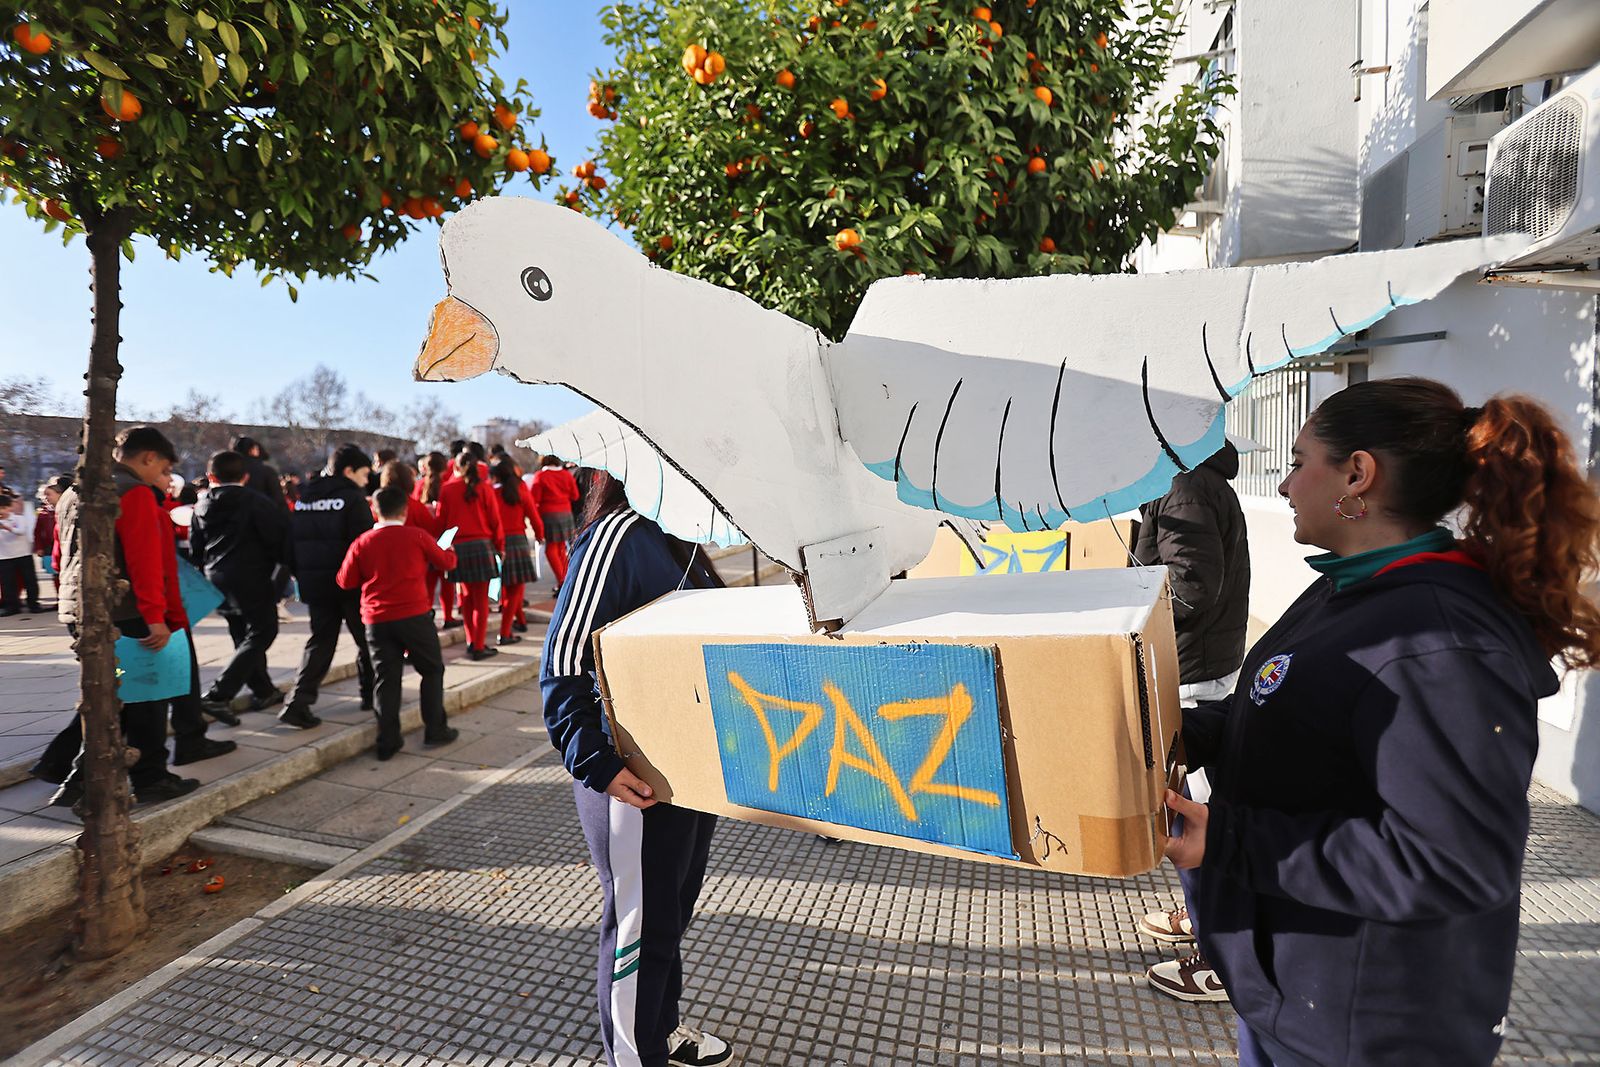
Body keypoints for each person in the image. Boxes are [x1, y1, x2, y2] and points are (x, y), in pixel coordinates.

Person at [1165, 378, 1600, 1067]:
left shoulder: (1438, 640)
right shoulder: (1350, 587)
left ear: (1358, 473)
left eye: (1299, 460)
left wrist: (1230, 841)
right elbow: (1297, 714)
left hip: (1369, 1026)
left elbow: (1449, 862)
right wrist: (1185, 734)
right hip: (1298, 992)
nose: (1283, 485)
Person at [542, 471, 732, 1067]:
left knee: (669, 913)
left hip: (687, 772)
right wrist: (596, 763)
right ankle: (634, 1056)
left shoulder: (679, 537)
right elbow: (562, 662)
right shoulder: (619, 534)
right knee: (639, 930)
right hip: (633, 780)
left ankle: (660, 1030)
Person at [47, 426, 231, 805]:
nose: (164, 478)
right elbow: (148, 564)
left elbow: (59, 556)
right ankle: (150, 778)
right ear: (148, 457)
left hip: (81, 608)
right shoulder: (134, 494)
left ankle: (78, 779)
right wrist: (156, 617)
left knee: (109, 695)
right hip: (129, 613)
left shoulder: (73, 492)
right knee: (147, 700)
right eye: (163, 468)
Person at [1129, 439, 1250, 1003]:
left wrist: (1128, 601)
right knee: (1193, 815)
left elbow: (1191, 586)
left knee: (1199, 815)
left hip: (1191, 671)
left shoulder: (1185, 486)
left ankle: (1222, 954)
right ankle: (1203, 920)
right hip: (1194, 666)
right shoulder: (1184, 482)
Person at [337, 486, 460, 760]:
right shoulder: (416, 535)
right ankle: (435, 729)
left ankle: (388, 740)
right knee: (431, 670)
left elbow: (345, 580)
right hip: (414, 614)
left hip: (377, 619)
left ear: (374, 510)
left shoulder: (363, 541)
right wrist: (449, 550)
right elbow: (446, 562)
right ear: (405, 510)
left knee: (386, 678)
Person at [191, 450, 291, 718]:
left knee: (241, 635)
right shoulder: (258, 502)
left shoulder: (200, 505)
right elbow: (277, 540)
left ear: (211, 476)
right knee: (263, 632)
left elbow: (196, 547)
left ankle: (263, 690)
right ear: (245, 476)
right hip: (252, 576)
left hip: (216, 578)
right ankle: (218, 693)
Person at [282, 443, 375, 728]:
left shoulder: (304, 497)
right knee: (367, 641)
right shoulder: (353, 498)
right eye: (363, 474)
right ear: (348, 471)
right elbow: (364, 546)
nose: (366, 480)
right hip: (350, 584)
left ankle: (298, 702)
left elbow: (291, 542)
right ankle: (372, 695)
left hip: (315, 584)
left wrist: (301, 575)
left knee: (320, 641)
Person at [436, 449, 503, 660]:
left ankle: (470, 641)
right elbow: (495, 521)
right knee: (481, 600)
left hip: (459, 547)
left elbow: (441, 522)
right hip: (482, 546)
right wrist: (500, 547)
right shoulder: (485, 488)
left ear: (455, 466)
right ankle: (479, 645)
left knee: (465, 597)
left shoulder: (446, 489)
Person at [488, 455, 544, 646]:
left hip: (497, 542)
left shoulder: (490, 493)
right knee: (516, 588)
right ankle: (505, 633)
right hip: (518, 541)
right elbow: (533, 515)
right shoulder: (520, 489)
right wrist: (539, 534)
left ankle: (519, 621)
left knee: (507, 587)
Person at [414, 451, 458, 629]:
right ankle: (448, 616)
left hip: (424, 539)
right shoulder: (448, 486)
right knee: (447, 582)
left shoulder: (418, 485)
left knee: (428, 583)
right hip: (444, 539)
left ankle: (427, 615)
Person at [530, 453, 581, 591]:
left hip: (549, 515)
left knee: (551, 550)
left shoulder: (540, 476)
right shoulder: (566, 475)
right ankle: (566, 577)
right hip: (566, 514)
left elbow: (534, 499)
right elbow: (575, 495)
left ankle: (562, 581)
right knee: (561, 549)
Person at [0, 490, 38, 616]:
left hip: (23, 554)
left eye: (4, 508)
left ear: (10, 507)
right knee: (7, 583)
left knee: (29, 580)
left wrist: (7, 528)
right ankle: (11, 606)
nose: (2, 511)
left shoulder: (19, 519)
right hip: (4, 556)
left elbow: (20, 531)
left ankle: (33, 603)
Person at [34, 474, 70, 594]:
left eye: (49, 495)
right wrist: (39, 547)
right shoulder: (44, 513)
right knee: (55, 575)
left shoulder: (68, 511)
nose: (46, 498)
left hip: (64, 548)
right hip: (51, 548)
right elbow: (37, 532)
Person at [233, 435, 287, 507]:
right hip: (262, 512)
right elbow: (278, 499)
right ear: (252, 450)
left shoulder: (231, 469)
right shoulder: (267, 471)